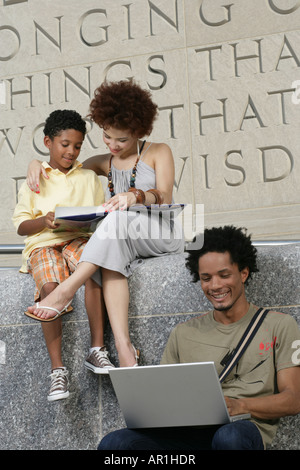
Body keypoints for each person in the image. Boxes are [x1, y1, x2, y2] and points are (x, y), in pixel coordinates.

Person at [25, 80, 185, 368]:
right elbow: (64, 167)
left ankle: (65, 291)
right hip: (121, 236)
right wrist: (36, 162)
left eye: (121, 140)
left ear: (139, 132)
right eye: (107, 137)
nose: (113, 145)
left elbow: (164, 197)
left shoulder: (159, 151)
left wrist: (134, 196)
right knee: (109, 258)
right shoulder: (104, 162)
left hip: (159, 232)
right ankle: (125, 350)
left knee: (116, 220)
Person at [98, 225, 300, 450]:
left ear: (243, 273)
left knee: (229, 438)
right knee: (114, 444)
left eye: (224, 275)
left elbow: (293, 399)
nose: (215, 286)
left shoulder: (280, 325)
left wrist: (238, 405)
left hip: (240, 429)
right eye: (206, 278)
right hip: (186, 435)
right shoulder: (183, 333)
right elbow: (164, 399)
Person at [13, 109, 114, 402]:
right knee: (49, 287)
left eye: (78, 146)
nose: (71, 151)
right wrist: (44, 220)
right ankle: (58, 370)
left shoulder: (90, 178)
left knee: (93, 270)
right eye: (64, 144)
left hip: (79, 238)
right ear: (48, 142)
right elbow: (21, 226)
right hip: (43, 243)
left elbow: (102, 215)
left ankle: (97, 349)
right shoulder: (35, 179)